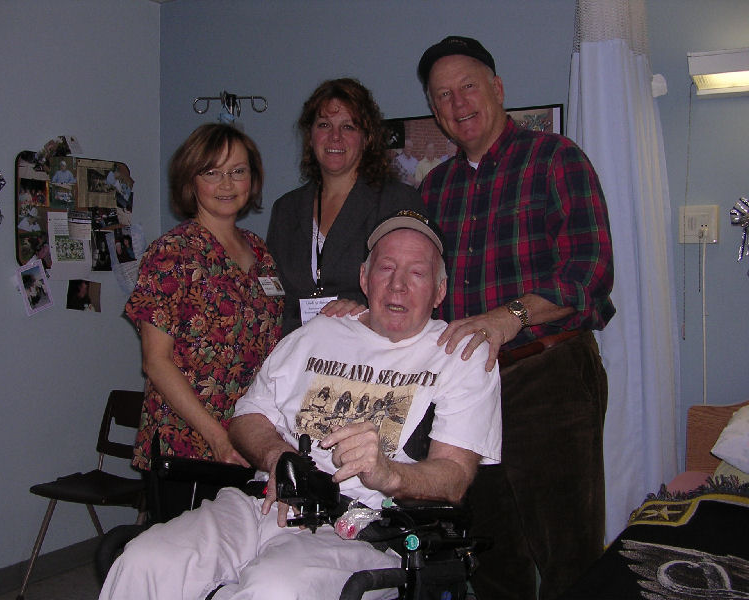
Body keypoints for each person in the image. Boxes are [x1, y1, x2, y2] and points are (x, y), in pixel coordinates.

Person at [100, 210, 501, 600]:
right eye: (385, 268)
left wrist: (389, 474)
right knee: (144, 560)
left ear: (440, 291)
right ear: (364, 277)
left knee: (274, 588)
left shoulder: (460, 356)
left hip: (362, 525)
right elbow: (247, 419)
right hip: (261, 503)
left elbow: (454, 477)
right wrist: (278, 456)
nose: (397, 285)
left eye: (417, 273)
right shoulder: (318, 333)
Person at [417, 36, 615, 600]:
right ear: (435, 111)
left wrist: (512, 315)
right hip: (469, 388)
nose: (457, 104)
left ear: (498, 89)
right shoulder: (436, 188)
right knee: (489, 553)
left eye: (469, 87)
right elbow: (420, 287)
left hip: (548, 377)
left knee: (566, 552)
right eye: (443, 96)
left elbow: (590, 271)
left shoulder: (557, 159)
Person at [124, 123, 284, 513]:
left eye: (238, 171)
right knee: (186, 563)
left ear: (253, 179)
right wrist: (218, 437)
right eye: (211, 172)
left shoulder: (260, 252)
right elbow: (155, 361)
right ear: (190, 181)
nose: (226, 183)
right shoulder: (170, 254)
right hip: (189, 441)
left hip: (250, 434)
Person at [267, 78, 422, 336]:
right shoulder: (286, 209)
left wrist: (365, 313)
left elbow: (418, 295)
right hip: (299, 355)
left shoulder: (397, 202)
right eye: (324, 125)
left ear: (367, 137)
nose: (335, 137)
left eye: (348, 126)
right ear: (311, 135)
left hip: (369, 354)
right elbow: (276, 298)